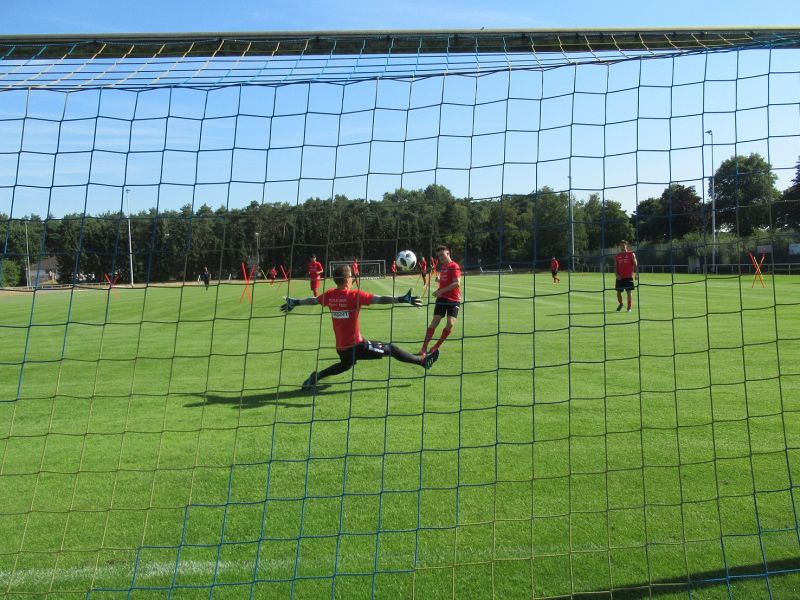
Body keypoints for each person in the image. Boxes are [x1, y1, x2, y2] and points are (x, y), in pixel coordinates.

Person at [281, 264, 439, 390]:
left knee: (345, 364)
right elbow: (379, 299)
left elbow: (313, 300)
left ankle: (316, 376)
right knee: (391, 349)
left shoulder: (330, 295)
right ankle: (422, 362)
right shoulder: (353, 296)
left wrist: (296, 302)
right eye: (351, 275)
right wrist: (401, 299)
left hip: (341, 346)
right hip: (356, 345)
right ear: (347, 279)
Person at [420, 245, 461, 357]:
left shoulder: (454, 266)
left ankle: (436, 346)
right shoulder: (443, 267)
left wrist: (440, 290)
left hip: (454, 299)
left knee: (450, 324)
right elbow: (445, 281)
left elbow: (456, 283)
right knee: (435, 320)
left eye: (442, 254)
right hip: (442, 298)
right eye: (439, 255)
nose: (440, 257)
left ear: (448, 254)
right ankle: (424, 347)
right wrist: (439, 283)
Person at [614, 240, 638, 312]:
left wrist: (637, 273)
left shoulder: (631, 254)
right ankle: (621, 304)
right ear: (619, 246)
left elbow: (635, 264)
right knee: (618, 293)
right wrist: (616, 275)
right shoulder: (617, 255)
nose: (622, 246)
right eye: (621, 245)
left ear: (626, 245)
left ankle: (629, 307)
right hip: (620, 278)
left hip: (629, 277)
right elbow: (615, 266)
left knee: (629, 292)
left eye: (623, 245)